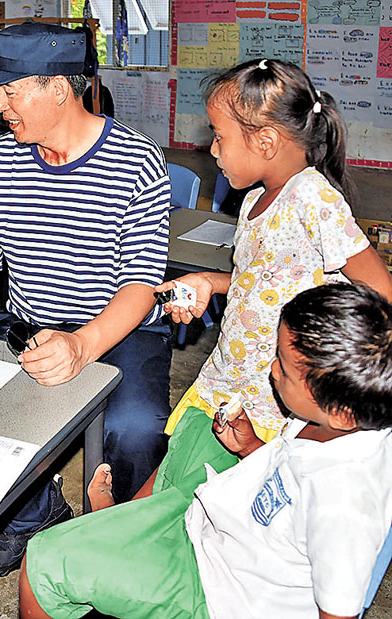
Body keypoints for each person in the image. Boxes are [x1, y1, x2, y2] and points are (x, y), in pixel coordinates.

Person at [0, 21, 172, 576]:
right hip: (27, 324)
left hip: (117, 328)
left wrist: (82, 346)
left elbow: (140, 285)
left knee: (134, 427)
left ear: (59, 89)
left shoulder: (136, 160)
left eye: (10, 90)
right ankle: (36, 511)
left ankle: (124, 538)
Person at [20, 282, 392, 619]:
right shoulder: (334, 421)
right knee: (199, 427)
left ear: (341, 412)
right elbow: (289, 484)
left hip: (223, 594)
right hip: (227, 532)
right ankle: (122, 522)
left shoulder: (347, 504)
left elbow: (338, 609)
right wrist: (252, 448)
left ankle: (118, 527)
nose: (273, 370)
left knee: (44, 563)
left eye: (284, 368)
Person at [153, 58, 392, 458]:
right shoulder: (252, 201)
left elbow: (381, 292)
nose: (212, 150)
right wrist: (211, 282)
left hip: (279, 399)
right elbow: (263, 279)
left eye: (219, 137)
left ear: (265, 142)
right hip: (230, 377)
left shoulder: (313, 198)